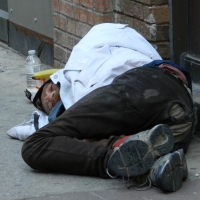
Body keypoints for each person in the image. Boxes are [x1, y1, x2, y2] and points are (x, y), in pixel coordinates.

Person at [21, 23, 197, 192]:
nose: (50, 97)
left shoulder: (82, 67)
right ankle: (156, 166)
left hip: (147, 87)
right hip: (181, 122)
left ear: (60, 78)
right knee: (84, 143)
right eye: (48, 104)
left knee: (35, 145)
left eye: (50, 90)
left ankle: (121, 165)